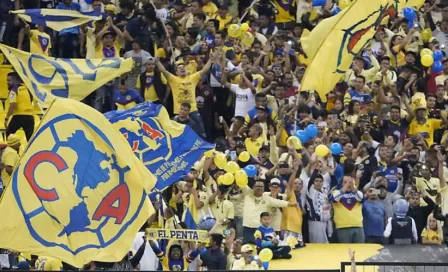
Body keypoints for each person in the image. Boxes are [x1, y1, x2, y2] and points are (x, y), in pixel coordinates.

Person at [155, 55, 214, 139]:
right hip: (180, 111)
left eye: (183, 67)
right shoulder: (173, 79)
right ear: (176, 72)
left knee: (201, 133)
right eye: (179, 68)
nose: (182, 68)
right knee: (178, 135)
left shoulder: (192, 78)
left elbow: (204, 70)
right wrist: (157, 62)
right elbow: (163, 70)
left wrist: (211, 59)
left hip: (193, 110)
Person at [330, 176, 365, 243]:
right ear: (342, 184)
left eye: (350, 182)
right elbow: (334, 199)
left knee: (360, 250)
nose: (348, 184)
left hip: (358, 226)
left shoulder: (357, 193)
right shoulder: (335, 192)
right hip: (342, 227)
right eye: (345, 182)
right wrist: (345, 187)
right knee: (346, 251)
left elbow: (362, 199)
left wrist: (353, 189)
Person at [5, 72, 35, 141]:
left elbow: (13, 105)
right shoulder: (27, 89)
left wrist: (7, 118)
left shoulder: (14, 90)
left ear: (15, 80)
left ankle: (10, 151)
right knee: (30, 140)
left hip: (18, 116)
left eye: (9, 80)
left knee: (9, 135)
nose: (7, 82)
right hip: (30, 117)